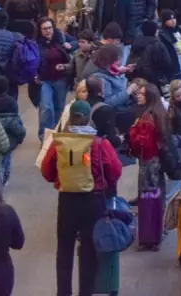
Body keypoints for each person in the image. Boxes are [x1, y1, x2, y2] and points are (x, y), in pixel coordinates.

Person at [40, 99, 123, 296]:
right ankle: (85, 291)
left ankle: (63, 292)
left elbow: (46, 170)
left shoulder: (59, 142)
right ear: (89, 119)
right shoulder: (99, 144)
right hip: (93, 200)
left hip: (67, 199)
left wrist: (59, 179)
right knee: (88, 250)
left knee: (64, 248)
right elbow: (115, 170)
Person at [128, 81, 169, 250]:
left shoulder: (146, 119)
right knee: (157, 197)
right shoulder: (160, 113)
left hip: (147, 163)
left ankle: (148, 236)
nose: (138, 96)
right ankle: (157, 232)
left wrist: (132, 131)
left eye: (142, 94)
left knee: (146, 199)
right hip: (157, 162)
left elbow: (141, 143)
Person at [36, 16, 75, 141]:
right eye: (44, 29)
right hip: (44, 80)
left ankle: (56, 136)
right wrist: (34, 75)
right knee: (46, 108)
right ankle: (45, 137)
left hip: (61, 79)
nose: (48, 31)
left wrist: (70, 45)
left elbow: (76, 42)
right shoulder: (36, 43)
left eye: (49, 28)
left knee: (59, 108)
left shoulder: (60, 36)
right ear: (40, 30)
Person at [0, 75, 25, 187]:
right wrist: (19, 138)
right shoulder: (11, 101)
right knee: (6, 158)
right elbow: (16, 120)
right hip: (8, 136)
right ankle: (4, 178)